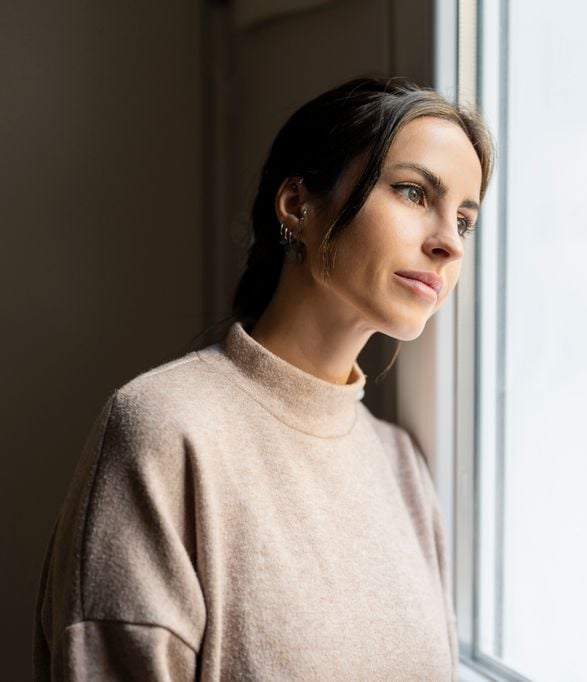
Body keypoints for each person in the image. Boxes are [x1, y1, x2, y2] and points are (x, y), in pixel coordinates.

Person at [33, 76, 493, 680]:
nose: (448, 245)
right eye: (412, 192)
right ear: (297, 205)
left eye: (463, 220)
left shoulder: (400, 463)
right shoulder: (163, 430)